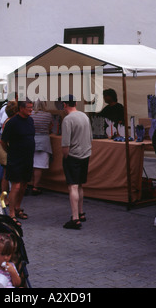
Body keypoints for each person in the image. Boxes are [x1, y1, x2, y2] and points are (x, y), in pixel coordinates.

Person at [0, 99, 35, 227]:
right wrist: (10, 152)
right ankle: (11, 213)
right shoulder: (12, 123)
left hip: (28, 158)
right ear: (21, 108)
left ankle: (18, 208)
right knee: (16, 186)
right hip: (15, 159)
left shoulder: (30, 120)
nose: (31, 110)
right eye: (28, 108)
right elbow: (3, 142)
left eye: (32, 108)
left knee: (24, 185)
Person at [61, 95, 92, 230]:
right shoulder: (84, 116)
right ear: (76, 103)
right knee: (79, 185)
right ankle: (81, 212)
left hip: (73, 155)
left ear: (64, 105)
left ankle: (75, 218)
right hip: (85, 154)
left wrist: (66, 156)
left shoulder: (67, 120)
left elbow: (65, 144)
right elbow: (90, 136)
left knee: (72, 186)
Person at [30, 100, 53, 195]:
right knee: (39, 166)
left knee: (30, 164)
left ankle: (28, 183)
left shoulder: (30, 114)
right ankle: (35, 186)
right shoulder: (48, 115)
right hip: (44, 141)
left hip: (31, 140)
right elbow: (51, 127)